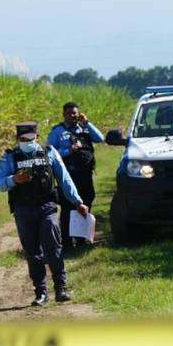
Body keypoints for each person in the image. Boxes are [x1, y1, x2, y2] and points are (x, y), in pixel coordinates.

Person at [0, 121, 90, 306]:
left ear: (37, 137)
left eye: (30, 139)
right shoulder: (9, 157)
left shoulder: (49, 152)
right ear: (17, 139)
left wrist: (77, 201)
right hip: (23, 209)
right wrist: (14, 179)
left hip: (46, 206)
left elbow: (64, 179)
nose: (26, 142)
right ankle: (40, 292)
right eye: (23, 139)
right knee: (33, 253)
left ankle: (61, 288)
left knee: (53, 247)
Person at [47, 101, 105, 247]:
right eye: (68, 113)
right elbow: (49, 154)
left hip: (85, 174)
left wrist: (87, 123)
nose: (72, 116)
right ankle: (66, 241)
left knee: (86, 202)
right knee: (68, 207)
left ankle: (81, 239)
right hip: (67, 176)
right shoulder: (57, 131)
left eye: (74, 113)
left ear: (78, 114)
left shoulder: (84, 128)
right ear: (63, 115)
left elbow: (100, 138)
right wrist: (68, 151)